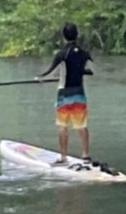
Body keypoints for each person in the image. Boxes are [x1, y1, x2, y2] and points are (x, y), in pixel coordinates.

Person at [37, 23, 96, 165]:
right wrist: (80, 71)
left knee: (63, 125)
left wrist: (40, 78)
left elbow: (51, 72)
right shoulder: (84, 53)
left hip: (64, 93)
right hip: (79, 93)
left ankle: (63, 157)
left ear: (64, 37)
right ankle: (86, 156)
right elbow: (92, 70)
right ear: (77, 35)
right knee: (82, 125)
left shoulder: (62, 54)